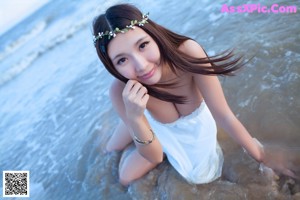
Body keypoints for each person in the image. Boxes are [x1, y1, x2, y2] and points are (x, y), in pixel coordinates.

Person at [92, 3, 298, 186]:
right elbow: (154, 157)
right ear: (112, 67)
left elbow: (223, 114)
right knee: (120, 169)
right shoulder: (120, 91)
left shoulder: (187, 53)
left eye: (143, 45)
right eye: (122, 60)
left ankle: (124, 127)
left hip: (146, 116)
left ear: (153, 35)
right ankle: (120, 128)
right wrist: (135, 118)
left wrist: (261, 154)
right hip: (143, 119)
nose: (141, 65)